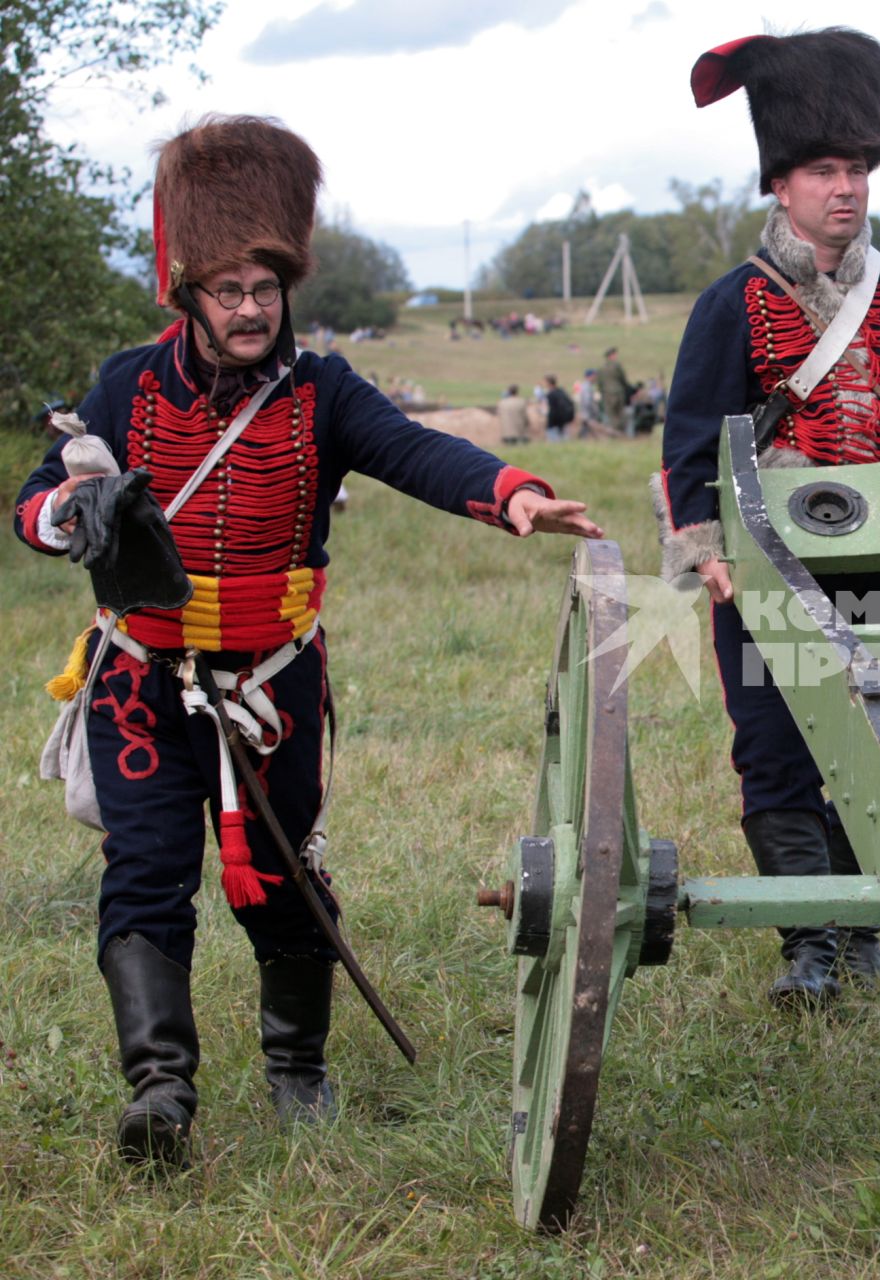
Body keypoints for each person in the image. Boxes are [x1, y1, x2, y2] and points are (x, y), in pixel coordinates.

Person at [11, 115, 602, 1170]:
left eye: (264, 289)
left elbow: (412, 450)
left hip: (271, 686)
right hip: (138, 682)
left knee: (280, 880)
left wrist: (510, 492)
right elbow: (32, 502)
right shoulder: (125, 387)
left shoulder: (321, 390)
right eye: (228, 290)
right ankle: (160, 1090)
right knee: (144, 875)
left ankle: (296, 1068)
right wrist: (70, 515)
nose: (249, 309)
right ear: (187, 291)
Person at [652, 29, 880, 1008]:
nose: (842, 189)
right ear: (781, 186)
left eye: (855, 170)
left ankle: (861, 937)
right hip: (764, 577)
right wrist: (705, 550)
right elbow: (689, 441)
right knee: (775, 750)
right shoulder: (734, 305)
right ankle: (807, 944)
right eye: (821, 171)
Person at [597, 348, 631, 431]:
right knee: (620, 413)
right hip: (618, 392)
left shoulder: (602, 368)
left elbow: (599, 383)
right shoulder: (617, 366)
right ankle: (620, 431)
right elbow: (623, 379)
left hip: (607, 394)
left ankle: (614, 431)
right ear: (611, 355)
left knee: (611, 414)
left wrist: (602, 392)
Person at [540, 373, 575, 440]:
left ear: (548, 382)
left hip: (553, 424)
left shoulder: (550, 395)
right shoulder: (562, 392)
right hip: (564, 423)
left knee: (554, 445)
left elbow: (545, 410)